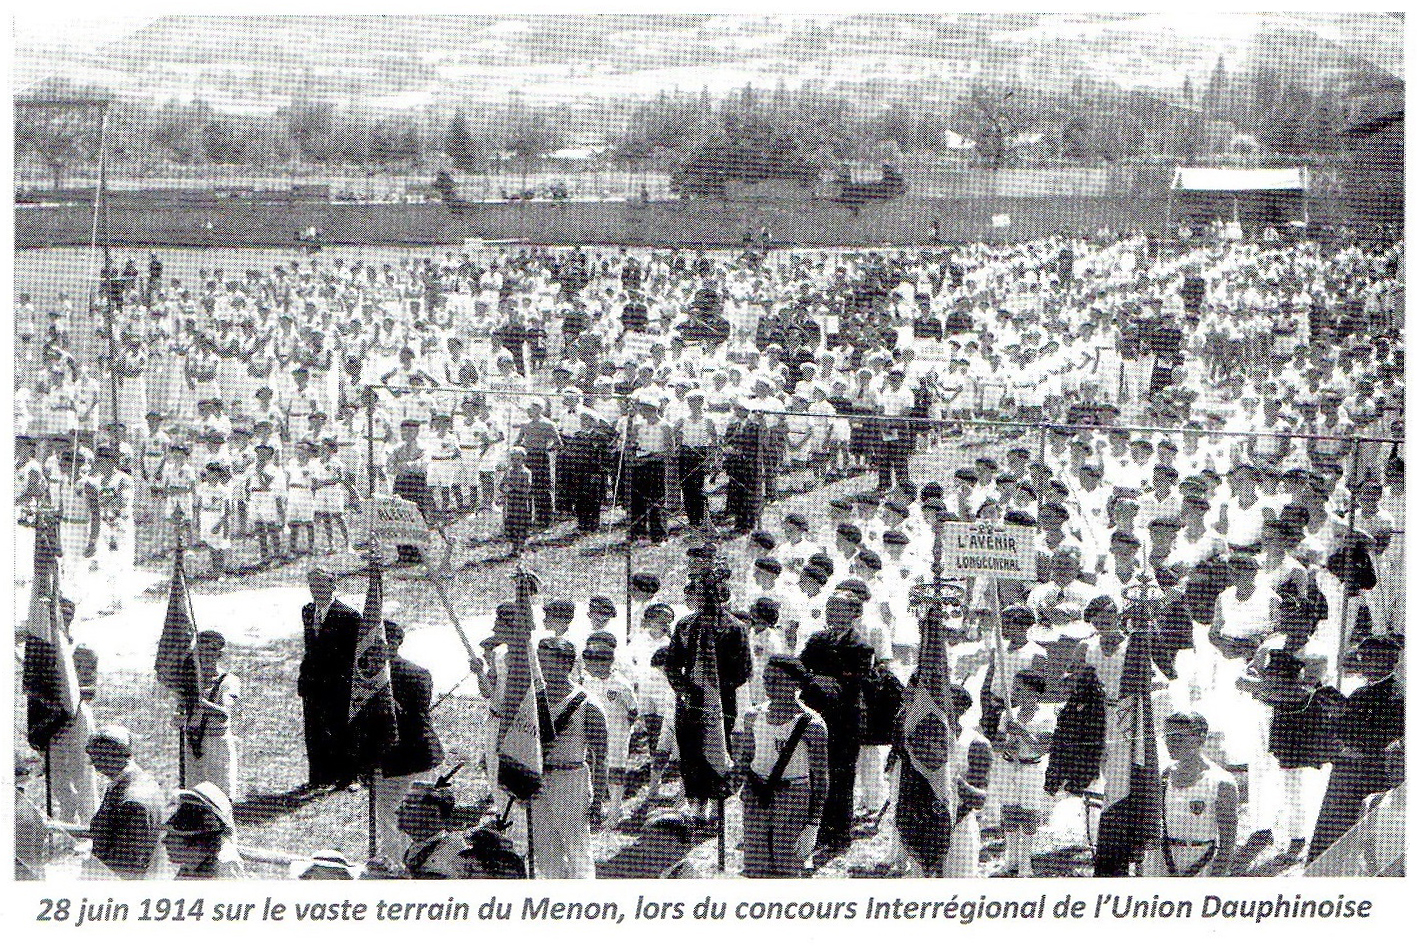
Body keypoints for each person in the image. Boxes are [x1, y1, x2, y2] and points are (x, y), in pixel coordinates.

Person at [657, 550, 752, 826]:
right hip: (690, 701)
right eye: (700, 594)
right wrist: (687, 689)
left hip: (719, 702)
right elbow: (672, 665)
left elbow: (743, 671)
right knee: (690, 751)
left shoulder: (734, 628)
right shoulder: (685, 626)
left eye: (711, 594)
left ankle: (714, 805)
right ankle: (695, 803)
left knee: (717, 749)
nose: (705, 600)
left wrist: (714, 690)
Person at [1307, 633, 1404, 862]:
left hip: (1371, 775)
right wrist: (1333, 713)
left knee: (1358, 837)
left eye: (1371, 658)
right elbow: (1342, 729)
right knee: (1330, 832)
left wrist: (1343, 719)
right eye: (1364, 658)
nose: (1364, 664)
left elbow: (1382, 739)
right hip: (1346, 772)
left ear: (1388, 661)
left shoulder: (1397, 696)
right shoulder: (1361, 691)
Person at [733, 656, 829, 878]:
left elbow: (820, 777)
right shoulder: (753, 716)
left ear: (796, 684)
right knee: (755, 867)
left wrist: (813, 824)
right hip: (757, 794)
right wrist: (729, 782)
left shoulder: (811, 724)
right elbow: (746, 758)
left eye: (778, 680)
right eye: (767, 679)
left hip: (793, 797)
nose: (770, 685)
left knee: (786, 868)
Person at [797, 591, 875, 854]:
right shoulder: (817, 639)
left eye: (839, 609)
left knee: (841, 776)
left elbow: (857, 681)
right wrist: (817, 679)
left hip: (845, 721)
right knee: (815, 772)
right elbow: (801, 668)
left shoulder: (861, 647)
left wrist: (831, 681)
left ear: (854, 614)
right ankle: (816, 829)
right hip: (816, 715)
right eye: (830, 608)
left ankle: (839, 832)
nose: (832, 613)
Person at [529, 637, 608, 879]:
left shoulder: (587, 704)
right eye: (539, 662)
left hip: (570, 778)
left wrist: (598, 799)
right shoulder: (532, 700)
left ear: (566, 665)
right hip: (539, 779)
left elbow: (601, 756)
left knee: (576, 848)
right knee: (544, 848)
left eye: (548, 662)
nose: (541, 668)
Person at [374, 620, 445, 865]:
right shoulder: (418, 673)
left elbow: (415, 717)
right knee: (412, 819)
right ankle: (406, 864)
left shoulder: (372, 678)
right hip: (408, 759)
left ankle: (408, 866)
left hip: (408, 758)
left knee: (404, 819)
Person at [1141, 712, 1238, 876]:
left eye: (1179, 737)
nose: (1171, 743)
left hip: (1201, 862)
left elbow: (1227, 843)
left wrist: (1217, 877)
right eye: (1168, 737)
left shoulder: (1221, 782)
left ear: (1200, 739)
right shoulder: (1164, 777)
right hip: (1161, 861)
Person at [298, 568, 361, 790]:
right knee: (314, 730)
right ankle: (319, 776)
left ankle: (347, 776)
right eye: (313, 585)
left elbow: (354, 654)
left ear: (333, 586)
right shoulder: (307, 611)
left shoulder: (349, 616)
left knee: (341, 729)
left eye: (322, 585)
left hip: (338, 683)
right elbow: (310, 648)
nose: (317, 590)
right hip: (313, 683)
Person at [85, 725, 166, 880]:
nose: (92, 764)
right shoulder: (140, 780)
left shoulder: (132, 803)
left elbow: (126, 865)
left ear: (109, 756)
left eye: (95, 757)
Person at [180, 630, 241, 800]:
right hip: (193, 742)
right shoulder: (190, 682)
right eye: (200, 652)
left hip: (217, 744)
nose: (204, 657)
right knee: (194, 795)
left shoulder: (228, 681)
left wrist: (200, 702)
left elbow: (224, 714)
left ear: (219, 654)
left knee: (220, 796)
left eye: (210, 652)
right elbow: (181, 713)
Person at [162, 782, 246, 880]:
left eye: (172, 835)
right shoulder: (190, 866)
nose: (164, 841)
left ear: (196, 841)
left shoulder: (224, 866)